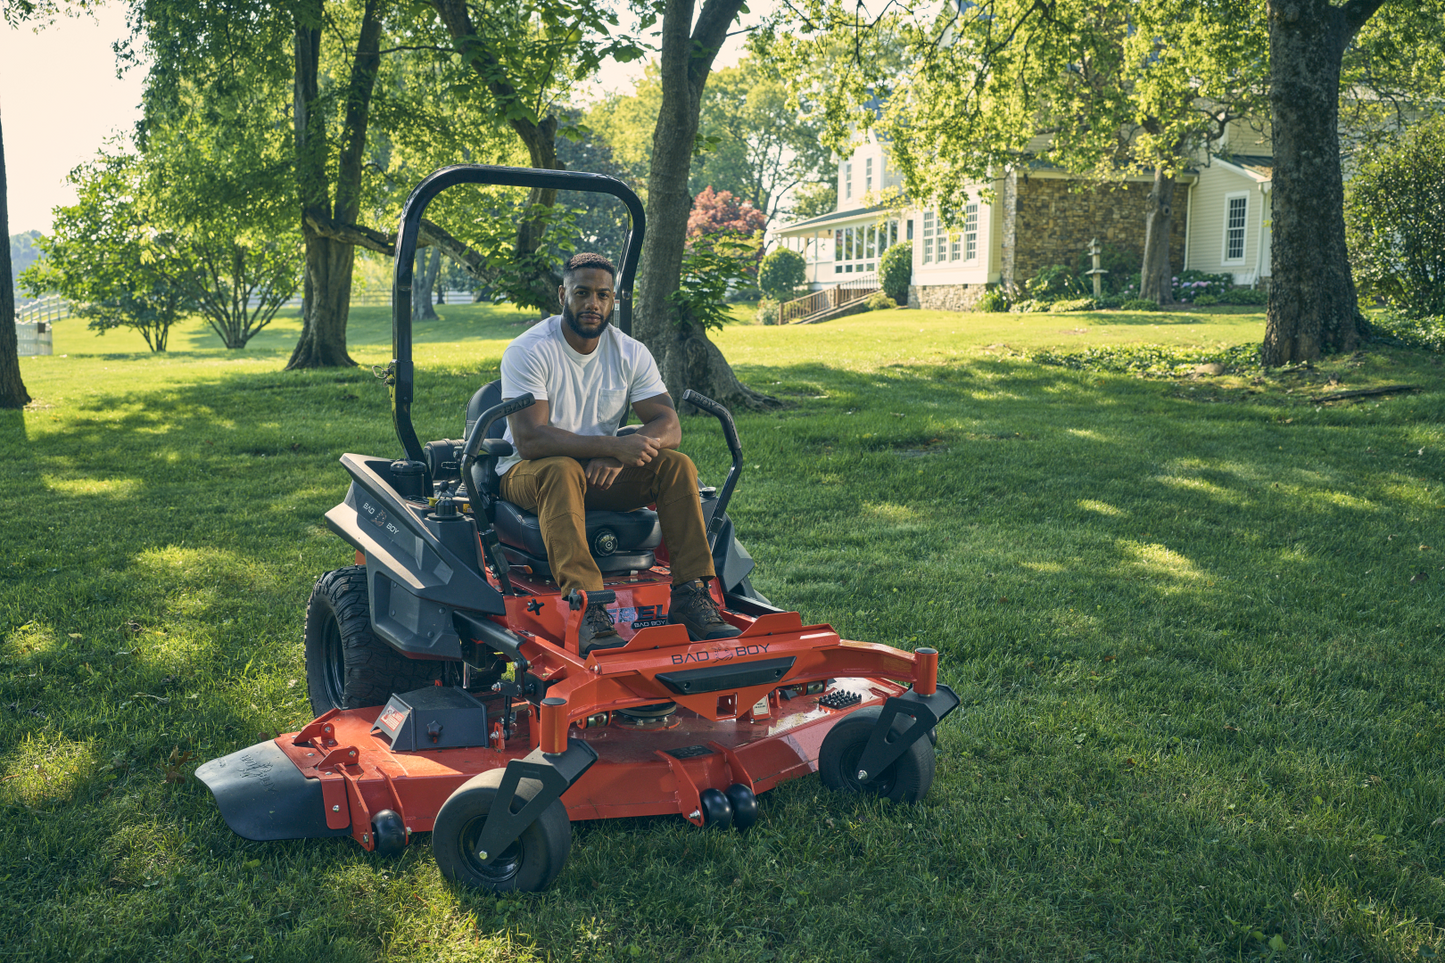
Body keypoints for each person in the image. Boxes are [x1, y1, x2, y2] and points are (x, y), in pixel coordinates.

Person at [497, 252, 742, 654]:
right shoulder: (529, 350)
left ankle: (691, 593)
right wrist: (614, 446)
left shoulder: (629, 352)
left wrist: (616, 457)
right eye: (582, 293)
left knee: (676, 465)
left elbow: (669, 425)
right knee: (560, 469)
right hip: (529, 473)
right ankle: (588, 608)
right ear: (563, 295)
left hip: (596, 473)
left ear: (614, 301)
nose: (593, 303)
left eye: (603, 295)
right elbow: (531, 440)